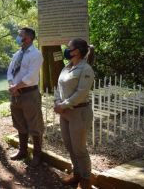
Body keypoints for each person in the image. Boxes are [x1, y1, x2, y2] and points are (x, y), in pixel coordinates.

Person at [54, 38, 95, 189]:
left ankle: (86, 180)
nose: (66, 49)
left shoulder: (86, 69)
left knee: (79, 149)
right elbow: (58, 87)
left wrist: (63, 105)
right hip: (65, 113)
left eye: (68, 47)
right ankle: (77, 174)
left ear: (76, 51)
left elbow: (81, 93)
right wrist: (57, 102)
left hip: (79, 113)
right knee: (70, 146)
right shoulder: (66, 67)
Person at [7, 27, 44, 167]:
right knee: (19, 123)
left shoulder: (36, 54)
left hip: (29, 94)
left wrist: (16, 87)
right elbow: (10, 71)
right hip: (15, 94)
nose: (17, 37)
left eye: (20, 35)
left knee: (35, 125)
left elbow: (31, 76)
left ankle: (37, 155)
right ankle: (22, 151)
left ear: (28, 38)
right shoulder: (17, 54)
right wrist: (12, 86)